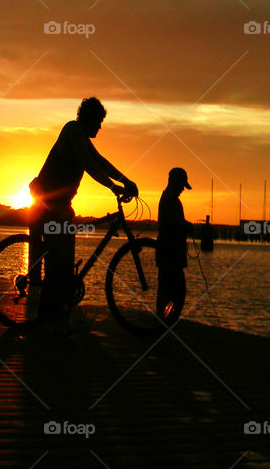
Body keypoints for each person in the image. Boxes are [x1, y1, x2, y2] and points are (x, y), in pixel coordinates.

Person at [29, 97, 138, 327]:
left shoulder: (83, 136)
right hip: (48, 202)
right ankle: (47, 317)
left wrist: (126, 180)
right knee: (58, 262)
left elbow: (100, 161)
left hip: (62, 204)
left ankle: (57, 313)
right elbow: (89, 165)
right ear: (88, 118)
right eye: (98, 122)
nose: (100, 127)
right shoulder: (73, 130)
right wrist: (113, 187)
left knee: (65, 262)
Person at [156, 167, 193, 324]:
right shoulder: (171, 199)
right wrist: (187, 225)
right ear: (174, 182)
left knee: (169, 287)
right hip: (170, 250)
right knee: (172, 288)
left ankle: (164, 319)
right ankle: (166, 320)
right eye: (181, 186)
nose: (182, 190)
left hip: (170, 250)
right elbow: (172, 222)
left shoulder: (167, 197)